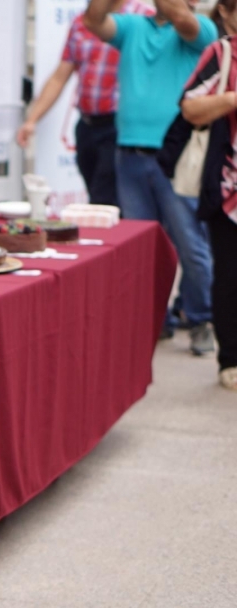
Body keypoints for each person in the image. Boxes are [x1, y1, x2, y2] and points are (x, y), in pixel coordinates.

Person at [85, 0, 217, 355]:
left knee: (190, 244)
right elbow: (93, 20)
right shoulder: (133, 26)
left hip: (172, 155)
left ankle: (201, 318)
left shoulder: (201, 28)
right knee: (143, 248)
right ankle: (156, 320)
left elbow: (179, 18)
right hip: (128, 152)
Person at [16, 0, 154, 207]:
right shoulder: (82, 21)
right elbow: (59, 76)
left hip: (121, 126)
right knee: (97, 194)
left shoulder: (144, 17)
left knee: (105, 197)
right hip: (87, 125)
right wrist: (32, 119)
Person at [177, 0, 237, 388]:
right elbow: (190, 107)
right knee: (230, 275)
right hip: (229, 188)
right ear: (227, 15)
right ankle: (231, 359)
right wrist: (232, 99)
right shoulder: (222, 52)